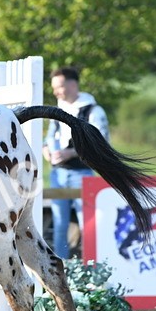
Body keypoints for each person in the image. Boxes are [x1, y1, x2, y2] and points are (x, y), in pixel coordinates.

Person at [42, 67, 110, 260]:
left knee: (87, 223)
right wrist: (46, 151)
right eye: (54, 87)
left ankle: (91, 267)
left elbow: (101, 143)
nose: (55, 92)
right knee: (59, 224)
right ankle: (61, 267)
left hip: (82, 172)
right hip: (58, 173)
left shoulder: (93, 110)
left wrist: (70, 153)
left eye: (59, 86)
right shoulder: (59, 109)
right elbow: (48, 138)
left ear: (73, 85)